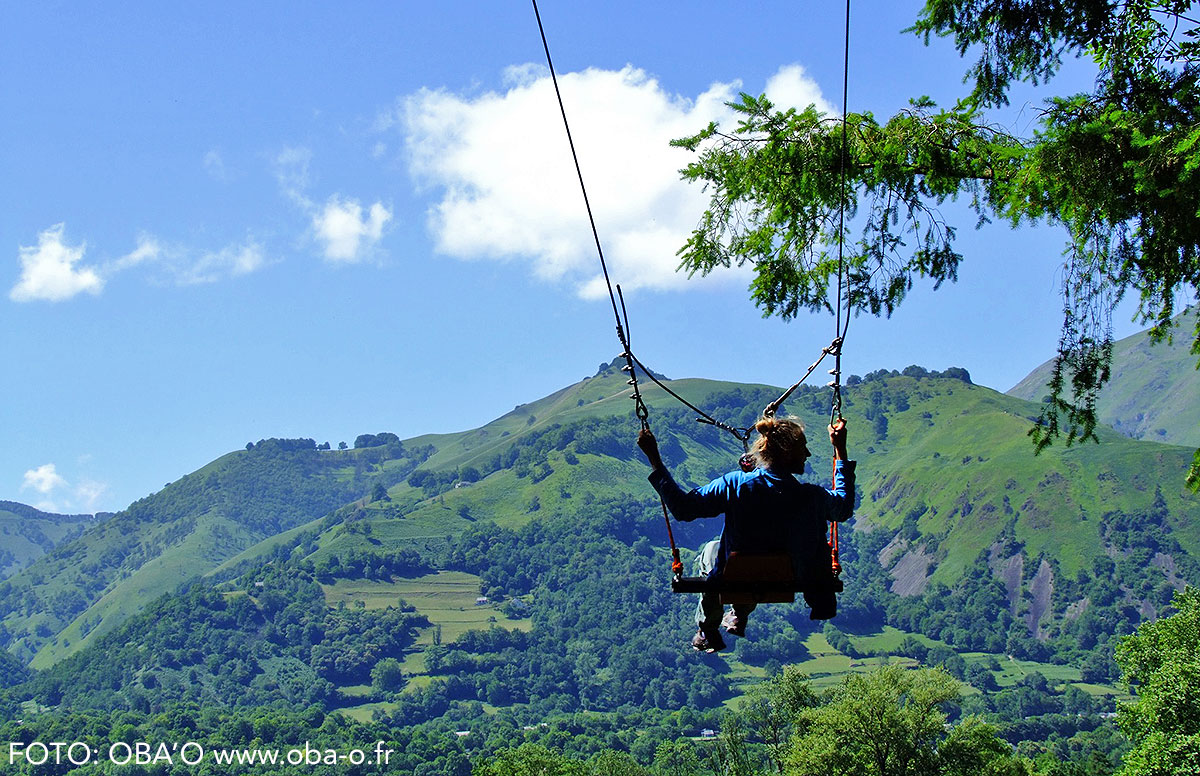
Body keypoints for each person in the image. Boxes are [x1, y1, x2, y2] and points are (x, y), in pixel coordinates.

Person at [637, 415, 855, 652]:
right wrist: (840, 449)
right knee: (754, 558)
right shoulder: (812, 497)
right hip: (792, 577)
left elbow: (683, 508)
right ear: (786, 453)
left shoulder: (736, 485)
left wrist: (654, 458)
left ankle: (709, 627)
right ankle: (738, 613)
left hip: (737, 577)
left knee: (712, 550)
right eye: (803, 448)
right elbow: (843, 507)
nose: (808, 454)